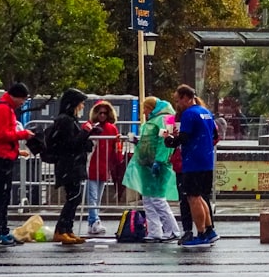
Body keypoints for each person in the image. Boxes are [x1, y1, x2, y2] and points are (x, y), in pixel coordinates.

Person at [123, 97, 181, 241]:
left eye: (146, 108)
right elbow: (152, 141)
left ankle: (172, 230)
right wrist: (138, 142)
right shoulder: (157, 120)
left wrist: (159, 161)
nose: (144, 111)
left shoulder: (163, 120)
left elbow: (164, 142)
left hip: (156, 165)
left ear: (152, 108)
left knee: (157, 200)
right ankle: (155, 231)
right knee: (149, 200)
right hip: (147, 165)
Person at [0, 83, 35, 246]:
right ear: (16, 96)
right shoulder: (4, 109)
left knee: (2, 196)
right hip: (1, 156)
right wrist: (22, 134)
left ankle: (2, 230)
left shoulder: (4, 107)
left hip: (4, 155)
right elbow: (2, 135)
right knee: (0, 196)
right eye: (23, 99)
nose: (23, 103)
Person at [170, 85, 219, 248]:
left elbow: (184, 137)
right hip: (206, 159)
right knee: (201, 196)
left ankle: (202, 233)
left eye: (178, 100)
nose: (178, 104)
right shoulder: (206, 112)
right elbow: (215, 134)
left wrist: (170, 141)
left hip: (193, 161)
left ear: (186, 97)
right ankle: (210, 230)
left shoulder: (189, 114)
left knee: (193, 197)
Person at [50, 88, 92, 245]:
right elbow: (70, 144)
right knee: (73, 197)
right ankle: (62, 229)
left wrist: (87, 136)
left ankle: (68, 229)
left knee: (75, 197)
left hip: (72, 164)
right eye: (81, 103)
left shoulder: (70, 120)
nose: (82, 106)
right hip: (69, 164)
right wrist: (85, 132)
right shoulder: (65, 120)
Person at [84, 99, 124, 236]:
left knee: (97, 197)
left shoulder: (111, 128)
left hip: (104, 165)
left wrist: (116, 161)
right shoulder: (90, 126)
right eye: (100, 112)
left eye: (105, 113)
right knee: (93, 196)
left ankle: (92, 222)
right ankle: (94, 220)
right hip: (92, 164)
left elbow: (116, 148)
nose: (102, 115)